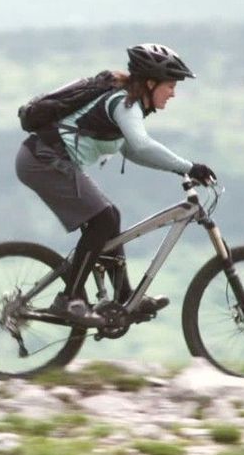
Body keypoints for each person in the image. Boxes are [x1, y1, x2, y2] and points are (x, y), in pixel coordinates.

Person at [14, 43, 216, 325]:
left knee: (110, 218)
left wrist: (178, 170)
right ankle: (69, 300)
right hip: (42, 161)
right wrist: (189, 166)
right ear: (150, 83)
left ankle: (123, 297)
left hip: (46, 160)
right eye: (170, 85)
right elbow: (142, 145)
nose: (173, 93)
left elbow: (131, 151)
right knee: (103, 219)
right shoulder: (124, 103)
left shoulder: (126, 104)